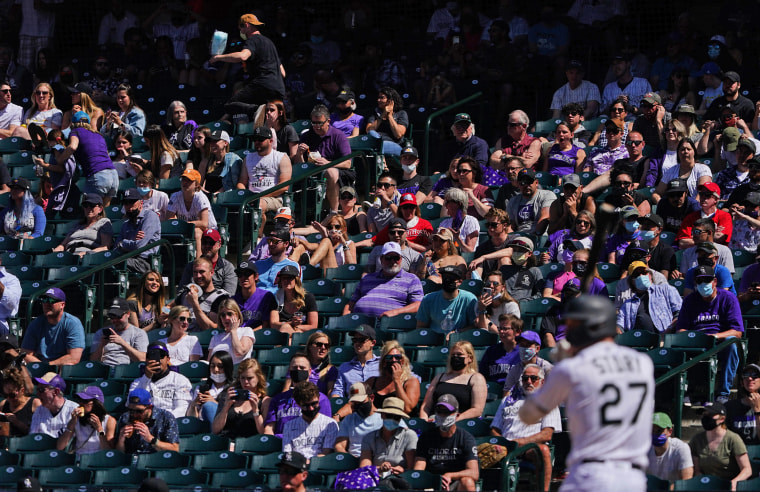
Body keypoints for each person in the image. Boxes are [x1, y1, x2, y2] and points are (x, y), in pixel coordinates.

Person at [519, 295, 655, 492]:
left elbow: (528, 415)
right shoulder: (643, 363)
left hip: (591, 476)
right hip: (633, 479)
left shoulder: (572, 368)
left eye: (574, 325)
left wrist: (561, 364)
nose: (570, 331)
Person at [676, 265, 743, 403]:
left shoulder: (728, 298)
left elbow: (737, 332)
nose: (703, 284)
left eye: (706, 280)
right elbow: (681, 329)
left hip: (719, 341)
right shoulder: (689, 300)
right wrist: (694, 338)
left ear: (715, 282)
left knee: (731, 343)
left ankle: (724, 393)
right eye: (699, 281)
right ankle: (691, 392)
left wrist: (715, 336)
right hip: (696, 342)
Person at [491, 364, 560, 492]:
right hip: (506, 447)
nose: (528, 382)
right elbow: (495, 429)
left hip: (530, 447)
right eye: (525, 378)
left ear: (542, 382)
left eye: (533, 378)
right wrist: (502, 445)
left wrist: (520, 442)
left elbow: (547, 434)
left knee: (544, 450)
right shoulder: (508, 400)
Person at [211, 14, 286, 117]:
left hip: (261, 84)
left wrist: (218, 57)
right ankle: (262, 113)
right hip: (278, 88)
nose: (240, 31)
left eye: (240, 27)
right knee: (266, 120)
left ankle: (258, 109)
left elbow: (243, 56)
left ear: (246, 25)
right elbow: (283, 73)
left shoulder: (253, 40)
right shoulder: (269, 43)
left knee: (229, 105)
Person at [294, 104, 352, 215]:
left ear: (328, 121)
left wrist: (328, 163)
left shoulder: (338, 136)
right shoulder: (306, 136)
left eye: (319, 123)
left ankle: (333, 212)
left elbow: (348, 163)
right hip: (311, 170)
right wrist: (300, 153)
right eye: (313, 123)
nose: (316, 126)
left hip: (335, 170)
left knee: (331, 172)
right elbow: (299, 165)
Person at [414, 394, 479, 492]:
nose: (443, 415)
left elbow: (474, 473)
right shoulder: (426, 437)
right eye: (440, 412)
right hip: (431, 483)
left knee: (468, 482)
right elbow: (419, 466)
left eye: (447, 412)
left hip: (455, 483)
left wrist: (450, 475)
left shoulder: (466, 438)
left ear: (457, 415)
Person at [343, 242, 424, 319]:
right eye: (388, 258)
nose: (393, 261)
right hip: (359, 323)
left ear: (401, 259)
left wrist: (396, 312)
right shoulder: (367, 278)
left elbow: (418, 305)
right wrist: (344, 319)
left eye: (396, 258)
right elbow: (351, 304)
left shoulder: (411, 279)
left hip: (387, 325)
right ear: (381, 259)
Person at [265, 352, 332, 437]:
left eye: (302, 368)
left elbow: (323, 428)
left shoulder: (320, 399)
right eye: (295, 367)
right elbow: (269, 428)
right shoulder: (278, 399)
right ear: (289, 371)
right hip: (279, 444)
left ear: (309, 371)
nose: (298, 370)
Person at [238, 126, 292, 230]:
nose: (257, 142)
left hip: (275, 198)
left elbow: (284, 186)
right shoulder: (248, 158)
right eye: (255, 139)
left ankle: (257, 236)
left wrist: (259, 197)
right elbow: (241, 182)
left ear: (271, 141)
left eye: (261, 139)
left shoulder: (281, 157)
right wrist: (244, 193)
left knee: (259, 204)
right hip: (251, 197)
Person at [689, 401, 752, 489]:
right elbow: (697, 470)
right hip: (706, 485)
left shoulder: (733, 439)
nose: (706, 417)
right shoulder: (697, 440)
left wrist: (734, 483)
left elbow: (747, 469)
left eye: (711, 414)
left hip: (727, 484)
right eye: (704, 414)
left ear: (722, 419)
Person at [419, 341, 486, 422]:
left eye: (459, 354)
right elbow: (426, 406)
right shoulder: (439, 377)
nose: (455, 357)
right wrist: (424, 421)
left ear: (470, 358)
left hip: (461, 422)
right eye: (453, 355)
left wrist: (453, 419)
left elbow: (477, 410)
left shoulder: (476, 378)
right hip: (436, 420)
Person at [129, 341, 193, 418]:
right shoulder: (137, 382)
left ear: (168, 359)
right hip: (144, 421)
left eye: (161, 355)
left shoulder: (180, 380)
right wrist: (146, 378)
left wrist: (162, 421)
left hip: (170, 423)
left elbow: (182, 409)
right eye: (152, 356)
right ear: (146, 360)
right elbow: (131, 405)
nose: (157, 360)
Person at [22, 288, 84, 366]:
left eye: (51, 301)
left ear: (62, 305)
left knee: (68, 364)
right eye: (44, 300)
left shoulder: (72, 323)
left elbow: (74, 358)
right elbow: (26, 354)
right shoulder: (36, 323)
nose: (47, 304)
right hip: (40, 368)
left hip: (62, 370)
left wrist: (48, 366)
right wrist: (42, 368)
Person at [359, 396, 418, 477]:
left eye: (397, 417)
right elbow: (364, 468)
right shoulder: (369, 437)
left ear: (400, 419)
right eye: (389, 415)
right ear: (382, 415)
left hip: (400, 480)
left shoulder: (409, 435)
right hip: (375, 479)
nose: (392, 419)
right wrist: (380, 469)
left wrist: (403, 471)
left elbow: (412, 468)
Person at [617, 262, 682, 333]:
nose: (641, 276)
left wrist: (668, 331)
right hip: (637, 340)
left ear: (650, 275)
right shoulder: (628, 304)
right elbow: (620, 325)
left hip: (663, 338)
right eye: (636, 275)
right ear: (632, 281)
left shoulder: (666, 290)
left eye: (644, 272)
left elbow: (680, 313)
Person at [212, 358, 269, 438]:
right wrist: (225, 408)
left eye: (249, 378)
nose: (245, 382)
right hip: (225, 442)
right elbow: (215, 430)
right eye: (242, 378)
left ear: (258, 378)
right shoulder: (228, 397)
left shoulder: (264, 401)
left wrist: (256, 411)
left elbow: (264, 433)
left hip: (249, 445)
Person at [283, 381, 339, 459]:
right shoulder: (289, 426)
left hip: (319, 465)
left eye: (314, 403)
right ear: (298, 404)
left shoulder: (330, 424)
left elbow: (326, 453)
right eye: (306, 405)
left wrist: (309, 462)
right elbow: (288, 453)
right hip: (296, 466)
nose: (311, 408)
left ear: (319, 399)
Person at [363, 341, 420, 416]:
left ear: (402, 361)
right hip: (376, 421)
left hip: (401, 421)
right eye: (389, 357)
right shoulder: (372, 381)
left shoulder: (411, 381)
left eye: (397, 357)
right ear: (384, 362)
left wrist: (397, 381)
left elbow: (407, 409)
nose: (393, 360)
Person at [115, 388, 180, 455]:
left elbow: (174, 449)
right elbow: (119, 453)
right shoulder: (125, 417)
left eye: (139, 411)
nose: (135, 414)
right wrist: (121, 440)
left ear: (150, 407)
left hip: (156, 460)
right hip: (130, 460)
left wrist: (151, 439)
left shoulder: (165, 417)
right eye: (131, 410)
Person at [417, 265, 478, 335]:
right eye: (445, 277)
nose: (447, 280)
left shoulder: (469, 299)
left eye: (451, 278)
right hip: (434, 340)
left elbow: (475, 326)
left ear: (460, 281)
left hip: (459, 340)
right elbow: (421, 328)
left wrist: (457, 333)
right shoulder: (428, 299)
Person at [56, 386, 116, 455]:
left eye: (84, 401)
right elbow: (60, 446)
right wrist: (72, 423)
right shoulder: (76, 419)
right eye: (79, 400)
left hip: (100, 459)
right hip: (80, 459)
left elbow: (108, 451)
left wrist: (99, 429)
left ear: (95, 403)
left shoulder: (109, 420)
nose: (80, 404)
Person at [115, 188, 161, 274]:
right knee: (107, 260)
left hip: (144, 262)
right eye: (126, 203)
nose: (129, 206)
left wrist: (122, 244)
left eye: (132, 202)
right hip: (127, 259)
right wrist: (132, 240)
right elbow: (116, 248)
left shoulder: (150, 217)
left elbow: (139, 246)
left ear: (141, 203)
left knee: (116, 262)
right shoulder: (125, 224)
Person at [90, 297, 148, 366]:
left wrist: (123, 343)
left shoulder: (138, 333)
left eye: (118, 316)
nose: (115, 320)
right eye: (112, 317)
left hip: (126, 371)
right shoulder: (101, 333)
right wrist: (102, 345)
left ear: (128, 314)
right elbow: (92, 362)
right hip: (104, 370)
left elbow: (142, 359)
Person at [332, 325, 381, 399]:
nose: (357, 343)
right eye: (355, 340)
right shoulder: (345, 367)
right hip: (352, 406)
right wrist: (335, 398)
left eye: (362, 340)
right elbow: (338, 391)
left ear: (373, 343)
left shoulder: (381, 364)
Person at [334, 382, 383, 457]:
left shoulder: (385, 417)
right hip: (353, 460)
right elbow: (339, 445)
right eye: (355, 403)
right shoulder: (349, 419)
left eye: (361, 402)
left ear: (372, 398)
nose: (358, 406)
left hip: (376, 460)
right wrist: (350, 459)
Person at [186, 350, 233, 424]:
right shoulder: (202, 388)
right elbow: (192, 418)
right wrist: (193, 405)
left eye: (220, 367)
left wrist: (213, 402)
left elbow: (233, 413)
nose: (216, 370)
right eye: (212, 366)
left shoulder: (233, 389)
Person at [647, 412, 694, 482]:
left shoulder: (680, 448)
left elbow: (686, 481)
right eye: (651, 430)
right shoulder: (644, 448)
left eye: (659, 431)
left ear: (670, 431)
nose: (654, 434)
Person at [506, 169, 556, 235]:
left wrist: (534, 236)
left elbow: (545, 217)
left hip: (540, 236)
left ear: (536, 182)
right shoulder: (513, 201)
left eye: (529, 181)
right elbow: (510, 225)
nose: (526, 185)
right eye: (523, 182)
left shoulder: (547, 195)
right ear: (518, 184)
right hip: (519, 236)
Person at [30, 372, 80, 438]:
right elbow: (33, 438)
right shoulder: (39, 410)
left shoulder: (74, 409)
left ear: (56, 392)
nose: (37, 393)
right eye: (37, 390)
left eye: (41, 390)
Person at [208, 299, 255, 365]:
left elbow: (240, 351)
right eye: (223, 315)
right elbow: (210, 362)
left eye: (230, 314)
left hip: (238, 372)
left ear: (237, 315)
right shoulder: (215, 338)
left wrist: (233, 331)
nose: (226, 318)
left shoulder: (246, 331)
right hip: (218, 372)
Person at [365, 87, 408, 156]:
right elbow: (368, 130)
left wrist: (390, 116)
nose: (378, 100)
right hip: (376, 142)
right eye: (378, 97)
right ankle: (383, 162)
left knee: (376, 146)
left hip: (394, 144)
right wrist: (382, 115)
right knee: (372, 133)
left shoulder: (401, 113)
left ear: (390, 101)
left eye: (382, 98)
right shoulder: (375, 113)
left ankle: (382, 162)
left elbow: (398, 134)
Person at [479, 314, 522, 383]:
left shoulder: (523, 352)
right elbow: (481, 376)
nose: (501, 332)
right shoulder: (491, 351)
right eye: (500, 329)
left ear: (517, 332)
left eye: (505, 329)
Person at [197, 130, 241, 195]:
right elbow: (198, 184)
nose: (212, 144)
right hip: (207, 197)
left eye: (215, 141)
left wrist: (216, 194)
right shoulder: (206, 161)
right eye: (211, 142)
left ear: (225, 143)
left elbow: (232, 184)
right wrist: (206, 193)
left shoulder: (233, 160)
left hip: (225, 197)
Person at [726, 363, 760, 445]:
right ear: (742, 382)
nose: (750, 378)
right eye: (746, 375)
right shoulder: (729, 407)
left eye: (754, 375)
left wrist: (757, 411)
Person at [0, 366, 39, 437]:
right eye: (5, 395)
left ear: (22, 390)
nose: (8, 399)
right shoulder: (3, 405)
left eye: (12, 395)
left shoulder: (35, 404)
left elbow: (37, 433)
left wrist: (17, 422)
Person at [440, 187, 479, 253]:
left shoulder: (471, 221)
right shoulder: (445, 223)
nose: (445, 205)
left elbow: (470, 251)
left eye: (448, 202)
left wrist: (457, 238)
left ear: (458, 204)